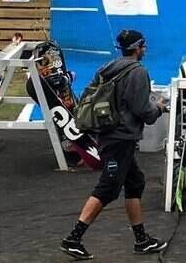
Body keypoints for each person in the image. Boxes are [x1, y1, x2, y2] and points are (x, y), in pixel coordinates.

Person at [60, 29, 169, 259]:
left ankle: (141, 240)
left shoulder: (108, 68)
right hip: (120, 139)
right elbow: (144, 112)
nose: (145, 49)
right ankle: (74, 238)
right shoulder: (138, 72)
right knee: (108, 188)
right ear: (138, 47)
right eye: (144, 46)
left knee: (135, 181)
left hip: (109, 134)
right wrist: (159, 106)